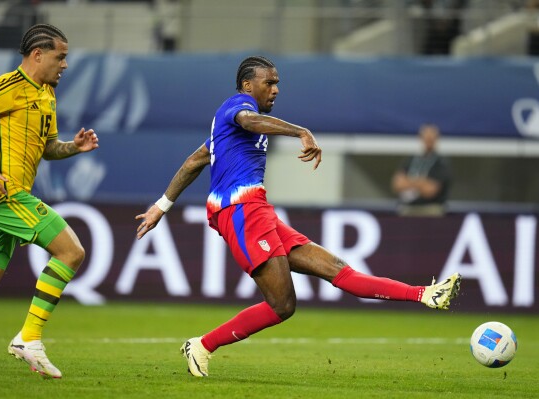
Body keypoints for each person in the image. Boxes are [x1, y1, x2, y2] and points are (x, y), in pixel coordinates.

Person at [135, 55, 462, 378]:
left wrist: (161, 206)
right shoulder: (235, 108)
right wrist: (301, 131)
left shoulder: (234, 130)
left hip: (258, 211)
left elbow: (196, 161)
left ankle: (423, 294)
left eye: (278, 83)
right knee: (282, 304)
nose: (276, 89)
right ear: (248, 85)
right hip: (240, 212)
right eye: (269, 82)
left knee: (338, 271)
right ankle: (203, 345)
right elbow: (248, 121)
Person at [0, 24, 99, 379]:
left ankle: (27, 338)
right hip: (2, 193)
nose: (65, 65)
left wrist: (74, 147)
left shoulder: (47, 95)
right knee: (71, 251)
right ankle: (29, 338)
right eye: (60, 57)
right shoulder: (5, 87)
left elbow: (48, 149)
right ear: (37, 55)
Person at [391, 123, 451, 216]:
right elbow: (397, 184)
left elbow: (430, 190)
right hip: (408, 208)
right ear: (420, 138)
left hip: (430, 209)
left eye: (431, 138)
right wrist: (421, 182)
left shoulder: (441, 163)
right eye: (426, 137)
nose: (428, 140)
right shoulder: (411, 159)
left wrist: (410, 181)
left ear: (437, 139)